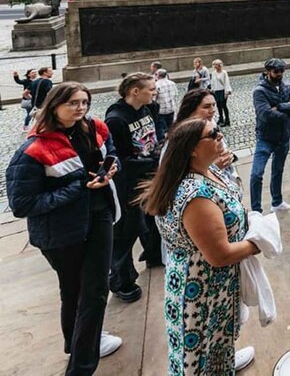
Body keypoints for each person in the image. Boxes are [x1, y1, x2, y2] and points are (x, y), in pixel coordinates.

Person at [7, 82, 123, 374]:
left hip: (99, 216)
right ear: (54, 106)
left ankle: (79, 358)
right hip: (61, 232)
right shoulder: (33, 149)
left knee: (95, 290)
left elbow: (110, 153)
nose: (80, 107)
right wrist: (78, 189)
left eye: (84, 101)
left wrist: (111, 167)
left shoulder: (95, 128)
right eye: (72, 103)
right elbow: (22, 204)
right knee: (73, 290)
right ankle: (77, 350)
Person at [140, 119, 256, 374]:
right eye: (212, 134)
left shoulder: (207, 171)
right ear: (192, 148)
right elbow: (220, 255)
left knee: (218, 352)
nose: (219, 135)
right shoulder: (195, 195)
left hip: (216, 287)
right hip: (201, 291)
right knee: (200, 359)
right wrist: (259, 243)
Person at [105, 72, 161, 301]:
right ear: (135, 91)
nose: (154, 92)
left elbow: (152, 139)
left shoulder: (147, 109)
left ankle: (154, 254)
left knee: (153, 219)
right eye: (150, 89)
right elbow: (121, 160)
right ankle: (121, 281)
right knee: (126, 232)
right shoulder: (116, 120)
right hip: (128, 185)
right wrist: (154, 161)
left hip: (149, 176)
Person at [249, 58, 290, 213]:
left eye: (282, 71)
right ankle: (256, 210)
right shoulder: (260, 91)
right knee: (257, 174)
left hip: (283, 137)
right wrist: (287, 113)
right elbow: (265, 114)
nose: (279, 74)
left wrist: (278, 107)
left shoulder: (286, 87)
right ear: (268, 71)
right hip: (265, 138)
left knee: (278, 171)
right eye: (276, 71)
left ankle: (277, 201)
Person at [172, 89, 238, 186]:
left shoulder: (212, 123)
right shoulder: (179, 137)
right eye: (206, 106)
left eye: (213, 105)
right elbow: (177, 177)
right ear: (191, 110)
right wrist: (214, 167)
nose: (213, 110)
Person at [154, 69, 178, 141]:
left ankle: (162, 142)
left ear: (158, 75)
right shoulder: (172, 83)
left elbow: (154, 98)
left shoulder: (156, 85)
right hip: (171, 108)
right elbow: (176, 95)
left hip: (161, 110)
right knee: (171, 126)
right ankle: (173, 139)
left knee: (160, 128)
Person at [211, 59, 233, 127]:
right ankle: (221, 118)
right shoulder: (213, 73)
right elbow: (213, 82)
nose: (215, 66)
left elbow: (226, 82)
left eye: (216, 65)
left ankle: (227, 120)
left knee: (224, 105)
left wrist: (227, 92)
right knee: (218, 105)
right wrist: (212, 90)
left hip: (223, 91)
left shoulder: (224, 73)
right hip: (216, 91)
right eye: (214, 65)